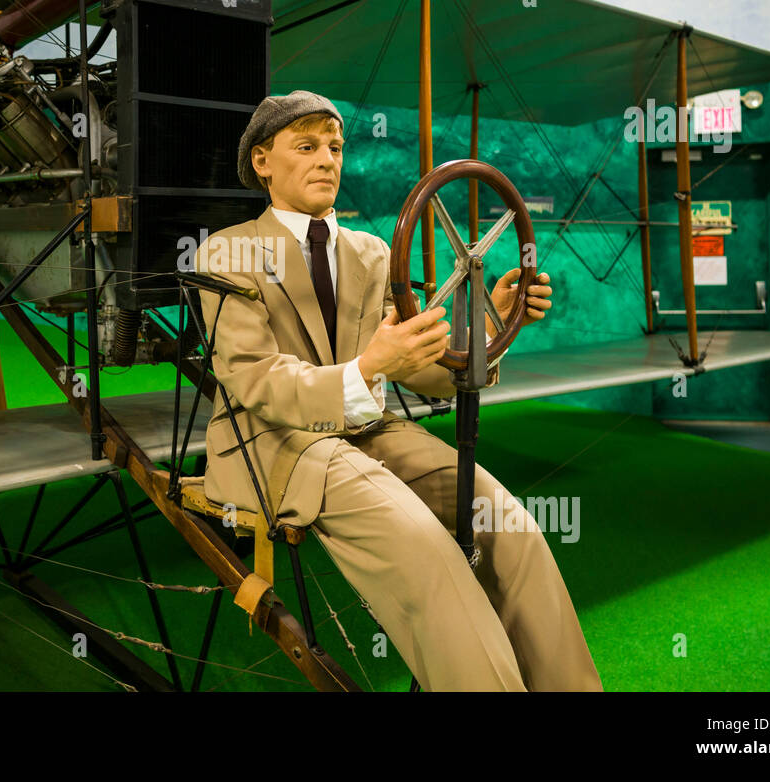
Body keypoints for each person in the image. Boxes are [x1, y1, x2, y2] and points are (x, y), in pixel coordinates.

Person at [192, 90, 602, 691]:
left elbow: (427, 367)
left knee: (510, 526)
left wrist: (490, 324)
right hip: (274, 443)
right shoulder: (228, 251)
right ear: (261, 162)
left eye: (334, 146)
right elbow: (255, 379)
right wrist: (363, 371)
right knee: (422, 546)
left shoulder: (370, 251)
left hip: (369, 431)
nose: (327, 159)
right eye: (304, 146)